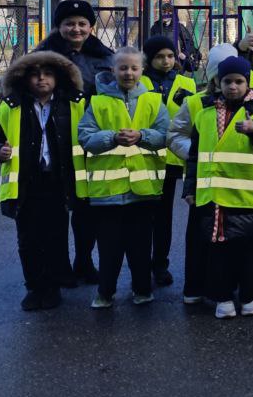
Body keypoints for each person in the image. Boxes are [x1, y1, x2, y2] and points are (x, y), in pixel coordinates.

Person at [0, 52, 88, 311]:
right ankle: (34, 287)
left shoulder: (73, 103)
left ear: (59, 77)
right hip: (26, 183)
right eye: (35, 74)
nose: (42, 79)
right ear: (24, 78)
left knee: (55, 237)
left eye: (48, 73)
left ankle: (51, 288)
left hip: (58, 181)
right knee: (27, 239)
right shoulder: (12, 106)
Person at [184, 55, 253, 319]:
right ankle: (222, 297)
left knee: (247, 250)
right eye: (227, 81)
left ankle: (250, 297)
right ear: (218, 82)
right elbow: (194, 156)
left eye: (239, 81)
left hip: (247, 196)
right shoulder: (205, 113)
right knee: (217, 250)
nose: (233, 87)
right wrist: (189, 188)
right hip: (213, 197)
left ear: (248, 83)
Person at [77, 46, 170, 308]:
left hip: (143, 190)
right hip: (107, 192)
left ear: (142, 71)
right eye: (122, 68)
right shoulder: (98, 101)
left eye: (133, 68)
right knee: (109, 249)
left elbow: (166, 135)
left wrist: (142, 136)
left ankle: (142, 289)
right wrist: (111, 137)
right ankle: (105, 292)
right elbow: (85, 137)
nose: (128, 73)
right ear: (113, 70)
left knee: (141, 247)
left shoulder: (153, 101)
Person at [36, 0, 114, 282]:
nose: (76, 29)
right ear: (59, 26)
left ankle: (84, 260)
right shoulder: (42, 55)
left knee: (86, 207)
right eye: (69, 23)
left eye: (82, 24)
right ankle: (60, 265)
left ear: (91, 27)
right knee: (55, 209)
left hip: (89, 142)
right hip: (52, 140)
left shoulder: (105, 57)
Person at [167, 43, 238, 305]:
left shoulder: (246, 101)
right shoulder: (195, 102)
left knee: (230, 235)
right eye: (221, 75)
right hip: (202, 181)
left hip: (234, 181)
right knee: (199, 234)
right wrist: (197, 154)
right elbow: (175, 135)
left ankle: (226, 285)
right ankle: (195, 287)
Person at [140, 36, 198, 288]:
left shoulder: (186, 82)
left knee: (164, 216)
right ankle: (142, 264)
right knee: (143, 215)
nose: (166, 61)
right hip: (145, 156)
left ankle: (159, 264)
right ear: (149, 59)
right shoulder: (140, 81)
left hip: (174, 158)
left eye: (171, 56)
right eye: (160, 56)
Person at [147, 0, 201, 74]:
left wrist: (184, 53)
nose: (166, 14)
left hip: (177, 62)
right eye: (164, 12)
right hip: (160, 62)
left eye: (169, 13)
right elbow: (149, 44)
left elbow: (189, 42)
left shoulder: (179, 27)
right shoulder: (155, 28)